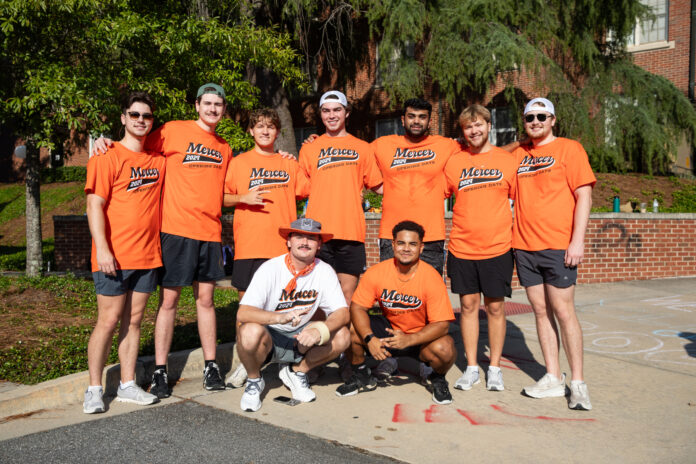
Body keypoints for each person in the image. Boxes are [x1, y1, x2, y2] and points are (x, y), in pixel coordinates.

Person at [83, 91, 165, 413]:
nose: (141, 121)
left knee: (133, 322)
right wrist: (102, 249)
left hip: (147, 257)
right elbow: (94, 204)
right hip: (112, 257)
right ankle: (94, 388)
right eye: (135, 115)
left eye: (146, 116)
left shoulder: (158, 160)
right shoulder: (106, 155)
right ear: (123, 118)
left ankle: (128, 384)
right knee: (108, 320)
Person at [513, 97, 595, 410]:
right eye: (529, 118)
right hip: (524, 245)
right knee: (540, 310)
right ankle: (552, 376)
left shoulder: (569, 149)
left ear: (553, 120)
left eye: (541, 117)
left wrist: (578, 241)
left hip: (558, 244)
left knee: (563, 310)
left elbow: (583, 196)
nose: (535, 122)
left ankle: (578, 382)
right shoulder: (520, 153)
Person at [223, 108, 310, 387]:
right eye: (259, 126)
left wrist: (306, 150)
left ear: (277, 132)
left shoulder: (289, 164)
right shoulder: (238, 163)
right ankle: (244, 361)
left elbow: (308, 188)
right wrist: (243, 197)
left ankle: (286, 363)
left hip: (281, 250)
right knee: (246, 311)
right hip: (249, 247)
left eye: (270, 127)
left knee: (285, 307)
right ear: (250, 131)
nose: (264, 131)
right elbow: (220, 198)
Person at [235, 218, 350, 412]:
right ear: (289, 241)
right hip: (270, 336)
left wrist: (320, 330)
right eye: (299, 237)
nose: (304, 242)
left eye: (311, 238)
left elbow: (342, 313)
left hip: (301, 336)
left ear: (319, 244)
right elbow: (243, 312)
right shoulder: (270, 268)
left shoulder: (324, 271)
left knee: (343, 335)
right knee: (248, 331)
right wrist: (280, 317)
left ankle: (297, 372)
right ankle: (254, 380)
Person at [335, 220, 456, 404]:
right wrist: (369, 338)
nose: (406, 249)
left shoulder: (431, 277)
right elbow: (358, 307)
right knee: (349, 327)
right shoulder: (376, 272)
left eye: (412, 244)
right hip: (388, 332)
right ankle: (361, 376)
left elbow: (442, 325)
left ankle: (437, 378)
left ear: (421, 248)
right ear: (393, 245)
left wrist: (410, 339)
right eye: (401, 243)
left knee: (445, 348)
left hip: (419, 336)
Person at [444, 105, 516, 393]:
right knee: (468, 307)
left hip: (498, 247)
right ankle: (472, 367)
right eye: (467, 127)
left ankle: (494, 368)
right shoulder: (454, 162)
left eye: (478, 125)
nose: (474, 131)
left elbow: (523, 202)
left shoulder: (507, 161)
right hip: (462, 247)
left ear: (489, 125)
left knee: (496, 307)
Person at [299, 90, 383, 308]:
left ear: (346, 113)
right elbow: (298, 188)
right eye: (326, 111)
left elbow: (379, 186)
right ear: (320, 114)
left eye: (337, 110)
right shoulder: (309, 149)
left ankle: (343, 342)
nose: (332, 115)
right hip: (318, 233)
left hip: (350, 232)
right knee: (316, 296)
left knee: (346, 297)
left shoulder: (363, 148)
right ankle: (320, 342)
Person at [371, 98, 460, 276]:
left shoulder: (447, 145)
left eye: (422, 117)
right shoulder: (382, 145)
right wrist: (320, 141)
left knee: (429, 295)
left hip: (430, 236)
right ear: (403, 120)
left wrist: (521, 143)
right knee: (391, 293)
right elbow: (355, 158)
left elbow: (483, 153)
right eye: (411, 116)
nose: (416, 121)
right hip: (392, 236)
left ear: (429, 121)